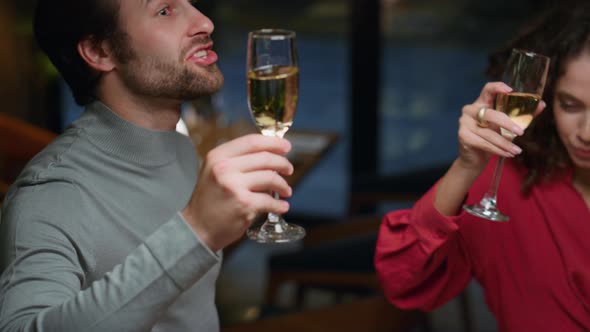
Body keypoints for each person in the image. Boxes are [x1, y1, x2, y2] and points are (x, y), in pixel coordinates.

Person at [0, 1, 294, 331]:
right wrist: (197, 232)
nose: (205, 23)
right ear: (100, 52)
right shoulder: (49, 194)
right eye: (165, 11)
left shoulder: (180, 148)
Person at [375, 2, 590, 331]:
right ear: (548, 98)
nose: (586, 133)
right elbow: (404, 280)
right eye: (570, 105)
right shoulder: (510, 186)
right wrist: (466, 166)